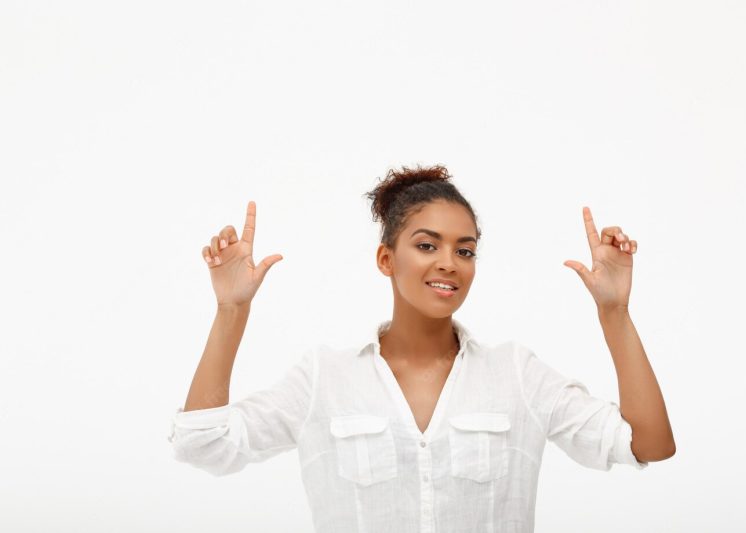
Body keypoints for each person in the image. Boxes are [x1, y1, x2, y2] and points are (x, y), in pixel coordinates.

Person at [167, 164, 676, 532]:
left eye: (465, 249)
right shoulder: (325, 378)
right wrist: (231, 311)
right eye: (427, 245)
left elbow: (648, 445)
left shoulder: (516, 374)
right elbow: (202, 444)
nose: (449, 263)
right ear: (386, 259)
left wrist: (615, 313)